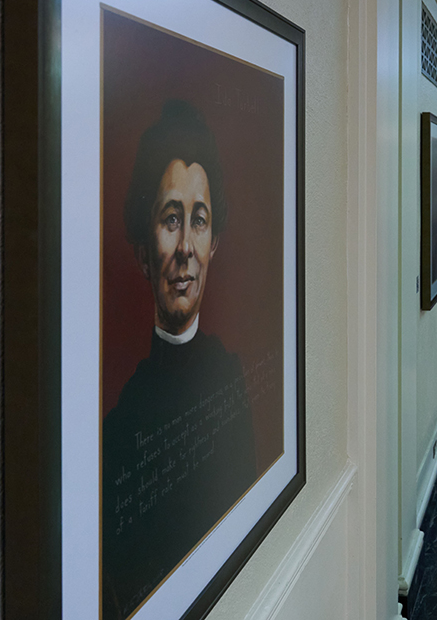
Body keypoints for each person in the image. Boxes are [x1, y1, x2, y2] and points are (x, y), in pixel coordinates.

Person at [103, 100, 258, 619]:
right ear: (144, 251)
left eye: (199, 220)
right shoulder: (120, 425)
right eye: (171, 219)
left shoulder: (231, 376)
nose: (186, 247)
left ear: (214, 243)